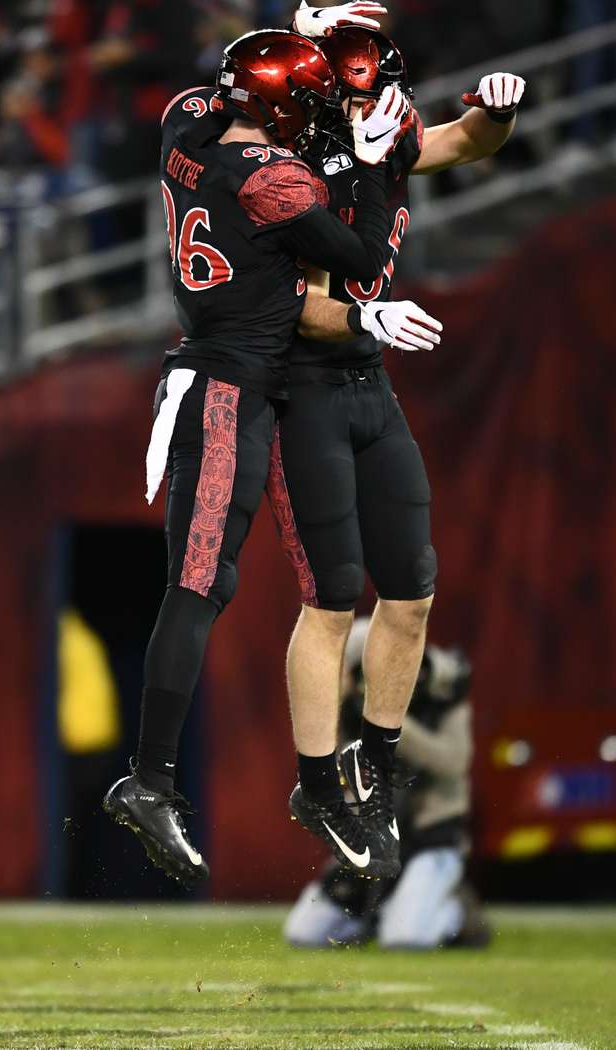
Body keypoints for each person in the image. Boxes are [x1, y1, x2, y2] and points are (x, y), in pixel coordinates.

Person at [102, 23, 423, 886]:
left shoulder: (186, 124)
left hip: (225, 378)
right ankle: (152, 779)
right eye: (306, 101)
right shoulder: (273, 177)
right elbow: (358, 257)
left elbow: (222, 107)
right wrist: (365, 164)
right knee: (202, 581)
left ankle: (168, 779)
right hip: (225, 386)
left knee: (215, 581)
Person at [268, 12, 525, 877]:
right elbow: (296, 302)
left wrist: (496, 114)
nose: (372, 96)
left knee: (411, 591)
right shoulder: (286, 158)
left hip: (368, 383)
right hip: (301, 383)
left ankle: (370, 764)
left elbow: (459, 143)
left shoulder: (385, 119)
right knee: (333, 598)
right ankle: (317, 778)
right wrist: (367, 306)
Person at [284, 617, 487, 949]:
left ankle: (457, 913)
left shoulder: (443, 692)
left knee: (406, 938)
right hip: (374, 838)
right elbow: (336, 780)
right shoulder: (348, 710)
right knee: (305, 932)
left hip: (428, 837)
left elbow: (453, 762)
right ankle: (383, 913)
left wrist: (387, 723)